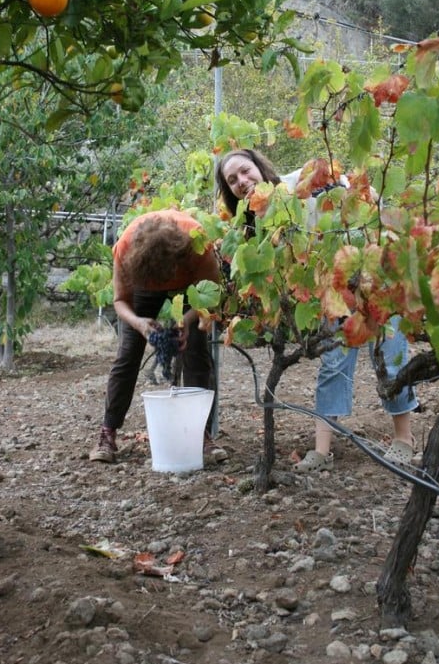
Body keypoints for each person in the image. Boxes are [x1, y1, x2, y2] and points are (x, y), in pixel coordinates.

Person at [216, 148, 419, 471]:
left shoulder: (301, 182)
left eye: (244, 170)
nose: (242, 181)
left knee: (391, 360)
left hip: (376, 275)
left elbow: (360, 192)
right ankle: (323, 452)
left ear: (258, 166)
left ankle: (403, 440)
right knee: (333, 365)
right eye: (232, 180)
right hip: (333, 290)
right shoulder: (254, 226)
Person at [89, 207, 221, 463]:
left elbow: (212, 294)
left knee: (196, 351)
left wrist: (186, 320)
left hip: (189, 284)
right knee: (128, 353)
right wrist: (139, 323)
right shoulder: (126, 248)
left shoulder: (198, 245)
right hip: (142, 282)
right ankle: (107, 434)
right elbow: (119, 301)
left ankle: (201, 436)